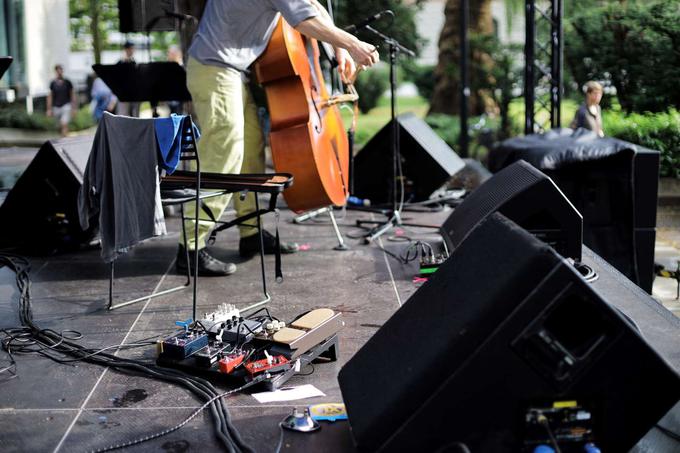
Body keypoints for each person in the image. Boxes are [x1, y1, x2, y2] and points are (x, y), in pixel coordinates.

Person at [178, 0, 379, 276]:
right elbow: (303, 20)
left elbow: (313, 7)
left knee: (250, 150)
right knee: (226, 149)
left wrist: (339, 46)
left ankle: (250, 233)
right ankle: (190, 246)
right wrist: (352, 43)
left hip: (232, 71)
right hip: (214, 67)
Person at [47, 64, 77, 136]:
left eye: (61, 70)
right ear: (56, 71)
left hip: (66, 105)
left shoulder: (68, 82)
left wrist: (74, 108)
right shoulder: (52, 83)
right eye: (58, 70)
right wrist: (49, 109)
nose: (60, 72)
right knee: (59, 126)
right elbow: (50, 97)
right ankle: (62, 138)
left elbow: (72, 95)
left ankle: (65, 140)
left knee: (64, 123)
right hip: (56, 107)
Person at [116, 41, 140, 117]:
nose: (132, 51)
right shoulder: (120, 62)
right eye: (130, 49)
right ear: (126, 49)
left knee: (135, 115)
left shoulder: (135, 62)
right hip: (123, 94)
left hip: (135, 93)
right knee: (123, 114)